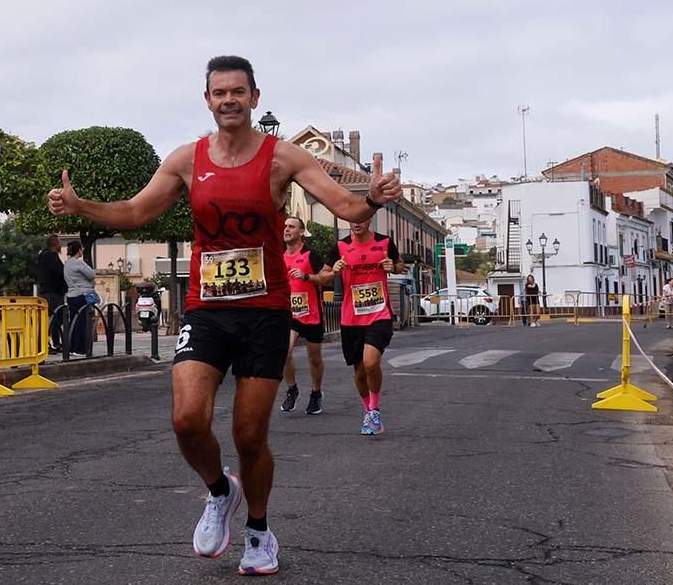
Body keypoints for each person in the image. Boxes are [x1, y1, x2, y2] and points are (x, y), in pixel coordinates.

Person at [47, 55, 401, 575]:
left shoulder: (283, 157)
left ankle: (259, 532)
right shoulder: (187, 160)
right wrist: (83, 207)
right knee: (187, 420)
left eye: (238, 91)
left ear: (255, 98)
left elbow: (345, 209)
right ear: (208, 100)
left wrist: (371, 196)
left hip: (264, 311)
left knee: (249, 434)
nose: (229, 100)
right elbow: (136, 211)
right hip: (207, 308)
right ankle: (220, 491)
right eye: (219, 92)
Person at [328, 218, 405, 436]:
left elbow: (400, 264)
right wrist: (333, 271)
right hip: (351, 318)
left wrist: (394, 266)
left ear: (370, 219)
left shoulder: (384, 242)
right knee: (359, 371)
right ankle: (369, 411)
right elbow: (321, 275)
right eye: (352, 219)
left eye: (361, 218)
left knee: (371, 362)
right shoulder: (340, 247)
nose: (356, 222)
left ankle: (374, 410)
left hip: (379, 313)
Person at [280, 217, 333, 415]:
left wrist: (307, 277)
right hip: (289, 314)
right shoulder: (279, 256)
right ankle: (292, 389)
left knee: (314, 358)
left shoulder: (310, 255)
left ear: (301, 232)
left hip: (312, 314)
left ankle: (316, 393)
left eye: (291, 227)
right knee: (284, 351)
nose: (286, 229)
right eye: (285, 226)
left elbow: (326, 278)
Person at [62, 240, 97, 359]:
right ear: (79, 250)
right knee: (82, 323)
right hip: (82, 295)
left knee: (74, 322)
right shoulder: (79, 263)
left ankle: (71, 347)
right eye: (81, 249)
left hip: (71, 296)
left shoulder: (67, 264)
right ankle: (80, 348)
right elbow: (92, 274)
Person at [37, 235, 67, 352]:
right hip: (53, 292)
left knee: (51, 319)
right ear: (55, 244)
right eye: (59, 243)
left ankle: (50, 343)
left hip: (48, 291)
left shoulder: (44, 256)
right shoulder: (51, 257)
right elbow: (60, 272)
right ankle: (52, 343)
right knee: (54, 319)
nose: (61, 245)